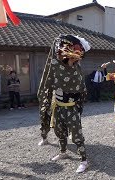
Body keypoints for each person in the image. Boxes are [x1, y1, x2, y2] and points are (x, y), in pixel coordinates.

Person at [38, 34, 90, 173]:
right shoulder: (56, 66)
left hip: (71, 108)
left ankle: (84, 160)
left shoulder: (77, 71)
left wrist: (76, 102)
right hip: (58, 106)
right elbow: (49, 79)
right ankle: (63, 151)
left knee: (77, 135)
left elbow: (81, 90)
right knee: (59, 131)